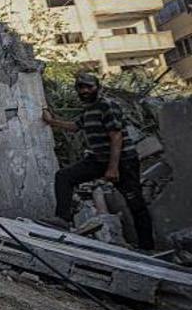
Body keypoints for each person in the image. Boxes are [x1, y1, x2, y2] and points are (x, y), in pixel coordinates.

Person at [42, 72, 155, 249]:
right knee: (64, 177)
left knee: (135, 202)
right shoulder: (89, 110)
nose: (85, 90)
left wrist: (113, 168)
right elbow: (74, 126)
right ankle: (62, 219)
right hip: (98, 160)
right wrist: (51, 122)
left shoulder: (107, 106)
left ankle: (147, 246)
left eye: (89, 86)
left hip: (123, 161)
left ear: (98, 88)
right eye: (81, 87)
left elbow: (116, 137)